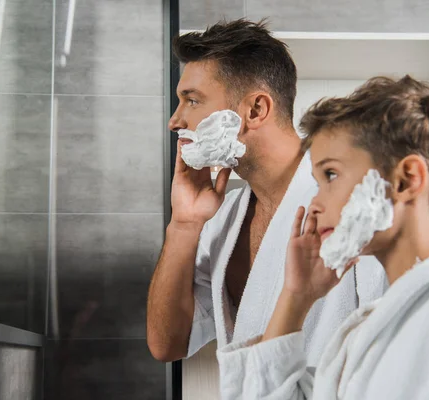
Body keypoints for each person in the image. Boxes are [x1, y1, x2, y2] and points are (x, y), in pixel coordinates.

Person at [217, 75, 429, 399]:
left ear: (406, 180)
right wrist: (296, 297)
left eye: (331, 175)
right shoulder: (355, 341)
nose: (314, 202)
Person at [146, 19, 386, 364]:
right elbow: (167, 345)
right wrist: (183, 224)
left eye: (192, 100)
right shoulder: (222, 218)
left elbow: (402, 348)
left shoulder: (354, 201)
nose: (175, 120)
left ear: (255, 110)